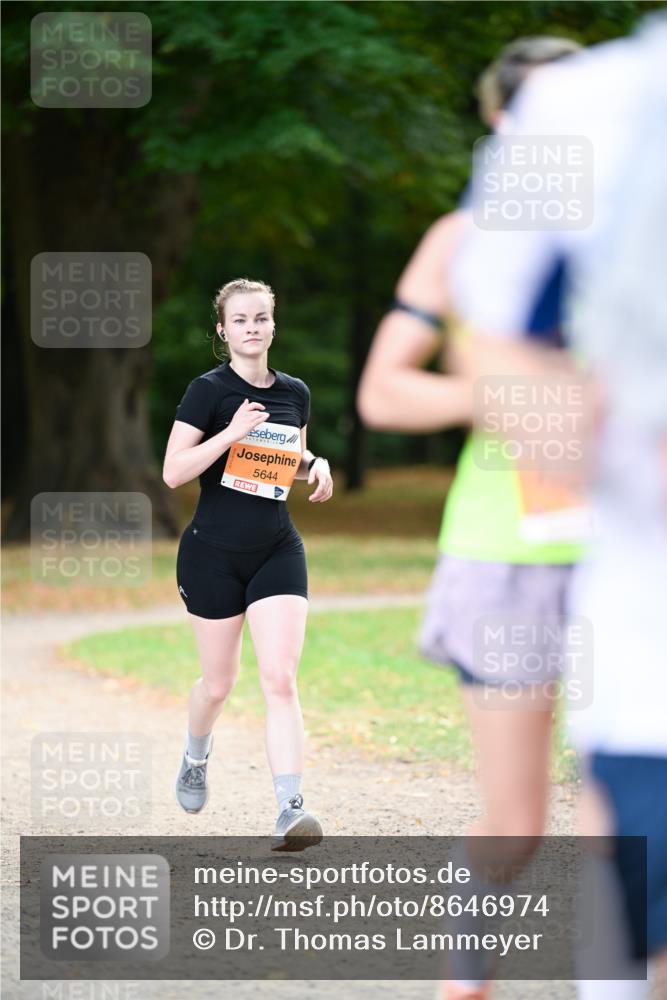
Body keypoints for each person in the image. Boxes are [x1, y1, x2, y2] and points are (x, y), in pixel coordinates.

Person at [357, 36, 582, 1000]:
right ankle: (465, 981)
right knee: (517, 819)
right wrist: (501, 390)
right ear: (497, 122)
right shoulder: (460, 242)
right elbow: (383, 396)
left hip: (636, 553)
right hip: (508, 557)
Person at [450, 15, 667, 998]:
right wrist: (580, 431)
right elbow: (485, 348)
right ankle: (466, 970)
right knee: (525, 816)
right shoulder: (590, 116)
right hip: (587, 582)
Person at [162, 277, 333, 851]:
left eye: (260, 318)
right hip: (211, 552)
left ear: (272, 325)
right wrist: (230, 433)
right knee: (218, 684)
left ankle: (290, 807)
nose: (252, 328)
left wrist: (317, 465)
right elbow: (173, 472)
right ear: (223, 330)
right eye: (240, 320)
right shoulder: (205, 392)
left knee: (280, 679)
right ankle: (195, 753)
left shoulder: (295, 392)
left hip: (275, 548)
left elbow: (284, 460)